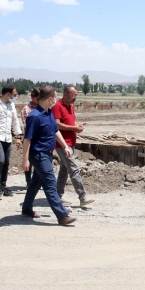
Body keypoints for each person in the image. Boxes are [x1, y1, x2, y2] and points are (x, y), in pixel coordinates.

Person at [21, 86, 76, 225]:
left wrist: (65, 146)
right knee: (51, 184)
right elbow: (27, 139)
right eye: (55, 97)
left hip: (47, 153)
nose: (56, 99)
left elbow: (55, 131)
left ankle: (26, 208)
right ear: (50, 98)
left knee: (36, 182)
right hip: (39, 155)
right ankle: (62, 216)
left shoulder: (48, 112)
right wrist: (25, 160)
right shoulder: (34, 116)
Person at [51, 84, 94, 208]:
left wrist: (77, 126)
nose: (75, 97)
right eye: (73, 94)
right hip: (62, 144)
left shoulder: (70, 106)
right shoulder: (57, 107)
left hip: (71, 142)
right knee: (74, 168)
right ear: (65, 94)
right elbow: (57, 125)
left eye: (76, 95)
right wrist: (74, 128)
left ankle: (58, 196)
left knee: (64, 171)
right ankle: (83, 197)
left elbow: (71, 121)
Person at [21, 87, 40, 187]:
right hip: (30, 138)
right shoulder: (26, 109)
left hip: (39, 139)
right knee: (28, 160)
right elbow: (27, 126)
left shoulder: (41, 108)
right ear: (33, 97)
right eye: (38, 99)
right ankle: (29, 182)